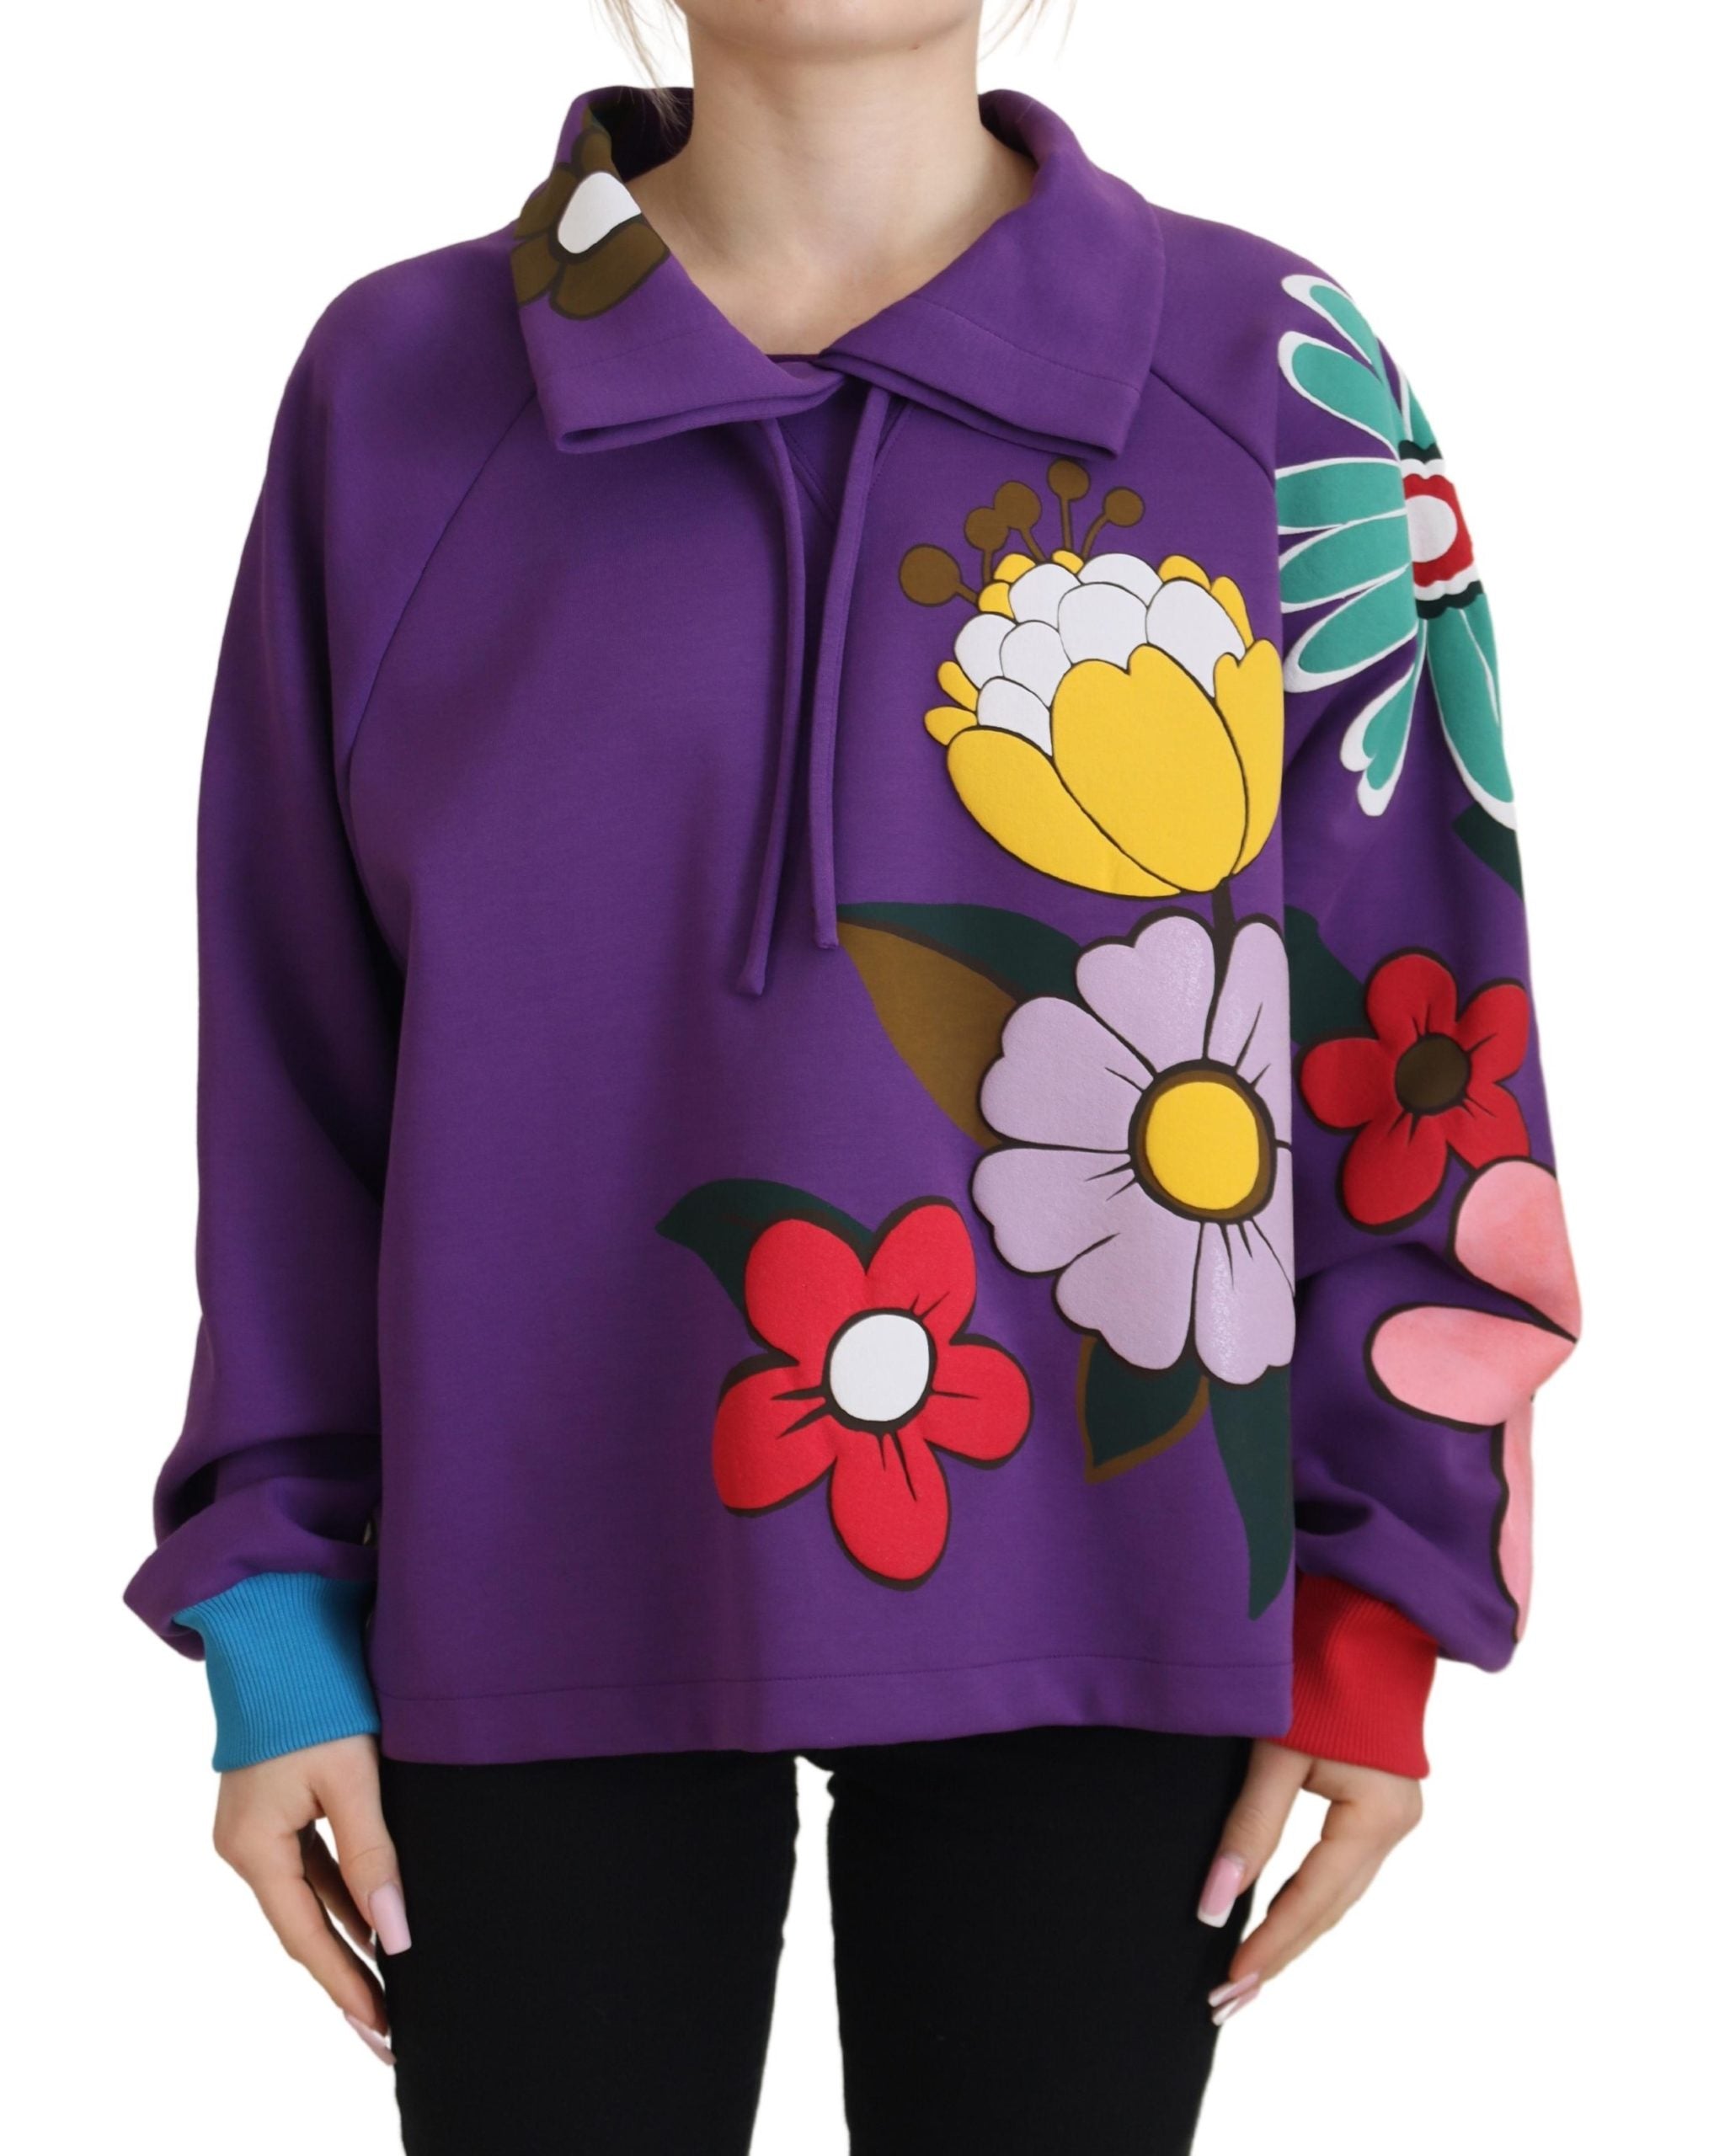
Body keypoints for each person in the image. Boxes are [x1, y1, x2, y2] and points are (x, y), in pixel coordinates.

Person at [124, 3, 1581, 2148]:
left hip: (1115, 1563)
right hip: (521, 1556)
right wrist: (271, 1593)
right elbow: (288, 1046)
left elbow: (1427, 1023)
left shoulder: (1275, 372)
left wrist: (1386, 1595)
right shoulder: (401, 387)